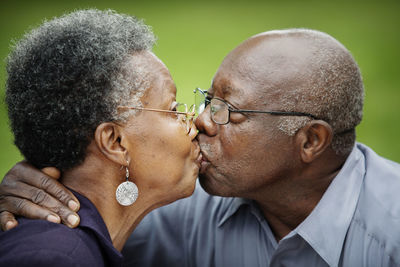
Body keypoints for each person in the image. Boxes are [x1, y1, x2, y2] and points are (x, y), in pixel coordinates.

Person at [1, 29, 400, 266]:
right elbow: (91, 217)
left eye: (229, 110)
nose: (202, 121)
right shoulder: (184, 207)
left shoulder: (390, 235)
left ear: (310, 141)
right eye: (207, 101)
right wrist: (38, 180)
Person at [0, 9, 201, 266]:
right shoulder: (54, 257)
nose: (193, 125)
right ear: (115, 142)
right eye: (173, 110)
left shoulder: (74, 246)